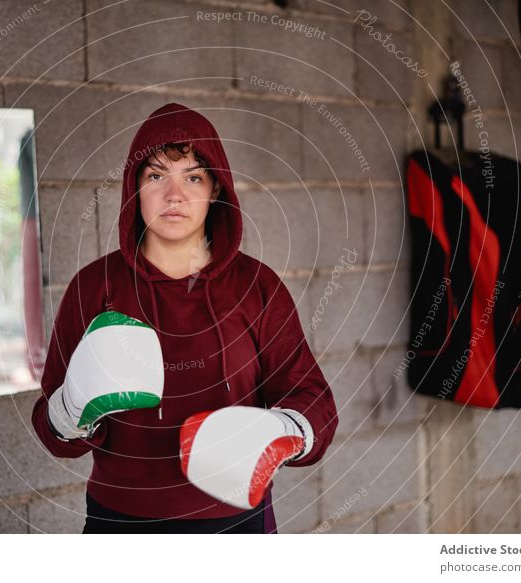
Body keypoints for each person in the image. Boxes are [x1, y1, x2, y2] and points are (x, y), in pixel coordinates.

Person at [32, 102, 338, 533]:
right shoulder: (93, 287)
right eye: (156, 176)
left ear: (215, 189)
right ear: (134, 187)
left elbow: (313, 397)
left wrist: (282, 431)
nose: (174, 196)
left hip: (237, 525)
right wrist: (70, 409)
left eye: (193, 177)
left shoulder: (257, 286)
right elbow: (51, 431)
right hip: (119, 524)